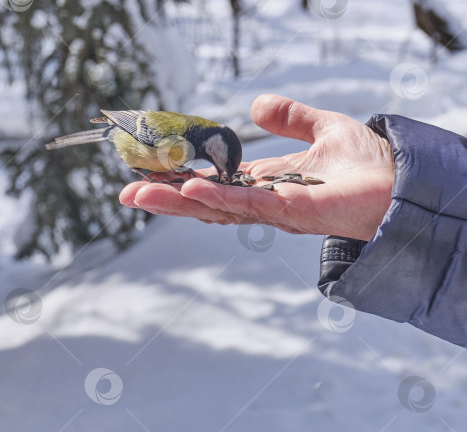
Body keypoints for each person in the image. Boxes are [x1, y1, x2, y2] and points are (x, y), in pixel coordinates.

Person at [120, 94, 467, 349]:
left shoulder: (195, 138)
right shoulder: (180, 135)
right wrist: (401, 190)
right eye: (222, 163)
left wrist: (407, 199)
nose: (226, 172)